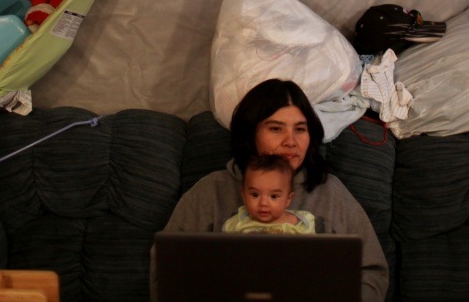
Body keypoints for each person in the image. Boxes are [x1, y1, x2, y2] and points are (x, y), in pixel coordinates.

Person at [158, 79, 389, 301]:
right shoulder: (210, 191)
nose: (291, 141)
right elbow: (168, 270)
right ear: (251, 133)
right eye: (276, 128)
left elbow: (372, 272)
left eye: (300, 129)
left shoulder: (331, 193)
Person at [222, 154, 315, 234]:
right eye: (255, 195)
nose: (263, 203)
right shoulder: (238, 223)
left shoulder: (303, 224)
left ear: (288, 199)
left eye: (274, 196)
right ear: (243, 195)